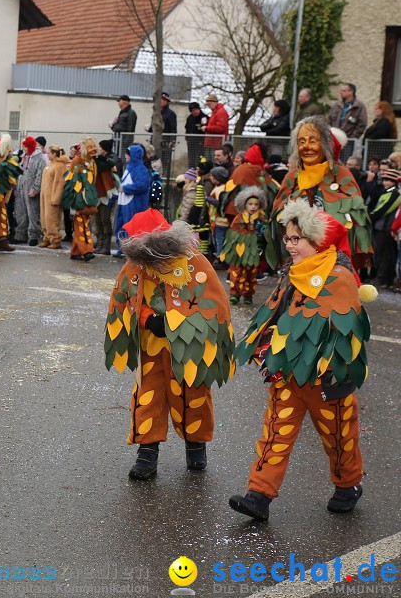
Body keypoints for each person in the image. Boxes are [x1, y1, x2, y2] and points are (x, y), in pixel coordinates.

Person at [229, 201, 372, 521]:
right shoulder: (292, 273)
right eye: (288, 239)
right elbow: (276, 312)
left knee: (339, 437)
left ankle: (348, 485)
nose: (290, 245)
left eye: (298, 240)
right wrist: (263, 342)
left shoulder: (339, 275)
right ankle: (259, 494)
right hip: (289, 373)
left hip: (326, 379)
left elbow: (343, 330)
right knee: (275, 433)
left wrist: (333, 367)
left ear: (317, 241)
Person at [103, 208, 234, 480]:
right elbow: (124, 299)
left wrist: (180, 323)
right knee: (148, 394)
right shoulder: (135, 264)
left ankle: (196, 443)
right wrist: (147, 319)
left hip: (187, 346)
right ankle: (147, 451)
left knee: (192, 392)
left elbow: (213, 303)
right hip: (151, 344)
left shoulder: (193, 262)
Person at [268, 117, 372, 270]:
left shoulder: (341, 174)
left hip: (332, 260)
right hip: (298, 259)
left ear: (324, 144)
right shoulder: (292, 177)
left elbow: (356, 220)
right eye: (301, 142)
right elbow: (277, 214)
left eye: (313, 141)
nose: (307, 147)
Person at [219, 186, 267, 305]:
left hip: (253, 252)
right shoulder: (239, 218)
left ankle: (248, 294)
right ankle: (234, 293)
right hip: (238, 251)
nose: (253, 207)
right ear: (245, 205)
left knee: (251, 273)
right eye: (250, 204)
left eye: (256, 204)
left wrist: (260, 245)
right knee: (236, 271)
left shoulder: (261, 219)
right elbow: (232, 234)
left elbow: (264, 235)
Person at [61, 139, 100, 262]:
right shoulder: (77, 161)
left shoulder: (92, 162)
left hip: (89, 198)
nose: (93, 149)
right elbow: (72, 177)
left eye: (94, 146)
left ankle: (75, 251)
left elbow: (94, 179)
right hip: (79, 198)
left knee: (84, 223)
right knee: (81, 224)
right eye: (90, 147)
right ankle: (87, 250)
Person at [113, 144, 150, 255]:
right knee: (120, 225)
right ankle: (122, 248)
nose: (125, 156)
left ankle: (131, 250)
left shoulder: (141, 169)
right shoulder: (128, 168)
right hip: (123, 202)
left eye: (127, 154)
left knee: (131, 227)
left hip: (133, 203)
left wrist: (126, 188)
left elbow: (142, 185)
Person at [12, 136, 45, 245]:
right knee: (20, 212)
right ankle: (20, 234)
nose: (24, 149)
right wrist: (16, 187)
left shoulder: (39, 159)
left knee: (33, 213)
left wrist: (35, 189)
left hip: (31, 189)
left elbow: (40, 176)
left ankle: (33, 235)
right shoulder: (24, 157)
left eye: (26, 147)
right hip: (21, 188)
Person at [370, 168, 401, 287]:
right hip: (381, 227)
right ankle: (384, 278)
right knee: (382, 254)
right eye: (384, 179)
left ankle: (383, 279)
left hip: (385, 228)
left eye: (388, 180)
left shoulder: (394, 193)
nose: (385, 182)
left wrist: (371, 216)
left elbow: (383, 209)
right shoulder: (387, 192)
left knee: (385, 255)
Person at [93, 139, 119, 256]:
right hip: (98, 193)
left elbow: (108, 165)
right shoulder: (99, 160)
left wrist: (100, 159)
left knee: (105, 219)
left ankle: (106, 245)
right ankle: (99, 243)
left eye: (101, 148)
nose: (99, 150)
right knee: (97, 219)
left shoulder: (112, 158)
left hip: (108, 194)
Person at [40, 146, 68, 249]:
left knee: (52, 219)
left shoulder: (60, 166)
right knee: (44, 218)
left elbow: (60, 183)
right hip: (45, 197)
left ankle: (55, 239)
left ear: (55, 154)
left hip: (52, 197)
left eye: (49, 153)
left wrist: (56, 197)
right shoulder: (50, 164)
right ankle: (47, 237)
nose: (47, 155)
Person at [185, 101, 207, 166]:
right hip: (191, 143)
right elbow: (187, 128)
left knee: (200, 161)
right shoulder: (190, 118)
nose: (195, 112)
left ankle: (199, 175)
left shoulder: (204, 117)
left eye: (196, 109)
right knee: (191, 160)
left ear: (199, 109)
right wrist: (188, 139)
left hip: (201, 144)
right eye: (192, 110)